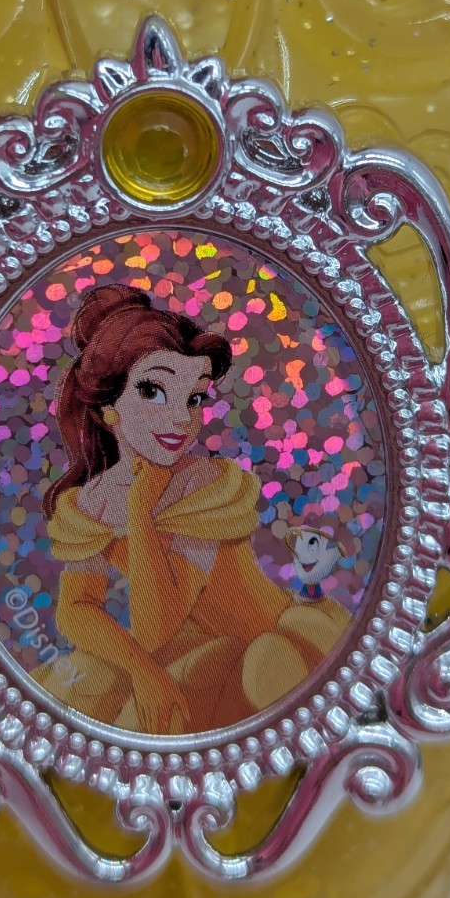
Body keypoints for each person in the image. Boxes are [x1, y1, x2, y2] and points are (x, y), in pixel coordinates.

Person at [35, 283, 342, 733]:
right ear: (107, 406)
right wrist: (139, 669)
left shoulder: (202, 484)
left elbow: (157, 625)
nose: (182, 418)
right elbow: (77, 608)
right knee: (82, 682)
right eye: (153, 391)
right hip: (185, 647)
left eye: (194, 398)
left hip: (262, 650)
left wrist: (141, 511)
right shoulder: (93, 499)